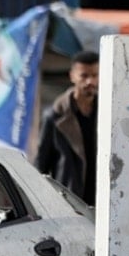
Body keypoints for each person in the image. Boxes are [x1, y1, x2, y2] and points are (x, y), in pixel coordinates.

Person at [35, 50, 100, 205]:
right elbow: (41, 166)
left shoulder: (108, 112)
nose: (90, 81)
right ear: (72, 76)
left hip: (104, 201)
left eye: (95, 75)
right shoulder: (54, 116)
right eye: (84, 76)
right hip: (70, 203)